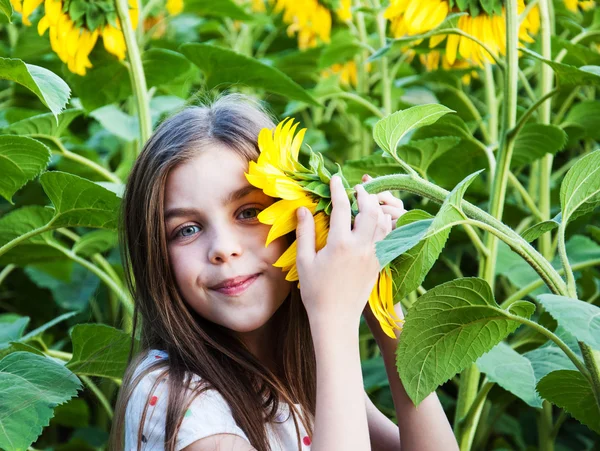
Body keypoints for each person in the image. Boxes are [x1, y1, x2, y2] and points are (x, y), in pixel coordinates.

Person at [109, 91, 458, 451]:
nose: (223, 249)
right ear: (155, 256)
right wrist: (334, 317)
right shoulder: (177, 398)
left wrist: (380, 293)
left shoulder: (291, 376)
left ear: (298, 219)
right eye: (187, 230)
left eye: (249, 213)